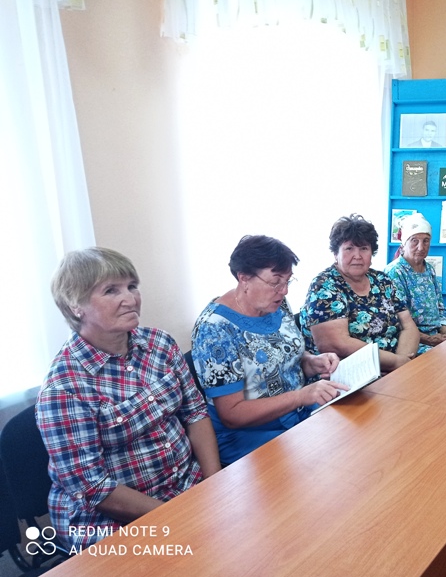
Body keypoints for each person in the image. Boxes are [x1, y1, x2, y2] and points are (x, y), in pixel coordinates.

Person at [36, 248, 221, 550]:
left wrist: (215, 485)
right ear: (75, 305)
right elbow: (95, 489)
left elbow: (195, 413)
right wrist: (178, 518)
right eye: (111, 290)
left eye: (132, 286)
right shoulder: (64, 388)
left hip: (185, 487)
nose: (130, 299)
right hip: (110, 521)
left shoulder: (160, 343)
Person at [191, 235, 347, 465]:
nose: (284, 291)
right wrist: (300, 397)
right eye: (276, 282)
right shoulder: (214, 329)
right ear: (244, 277)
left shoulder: (277, 304)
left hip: (297, 414)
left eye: (288, 281)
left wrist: (311, 362)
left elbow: (281, 357)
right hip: (249, 434)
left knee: (350, 440)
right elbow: (232, 414)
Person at [300, 214, 420, 372]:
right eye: (349, 248)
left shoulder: (382, 280)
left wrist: (403, 360)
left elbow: (408, 325)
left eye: (364, 248)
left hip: (396, 363)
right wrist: (395, 363)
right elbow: (336, 344)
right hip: (353, 372)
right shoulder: (324, 286)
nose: (357, 256)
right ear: (336, 253)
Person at [385, 213, 446, 354]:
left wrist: (445, 333)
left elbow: (440, 307)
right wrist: (430, 339)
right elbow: (397, 321)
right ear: (404, 243)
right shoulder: (395, 272)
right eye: (414, 241)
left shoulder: (429, 269)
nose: (421, 247)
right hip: (411, 341)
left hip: (435, 337)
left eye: (426, 241)